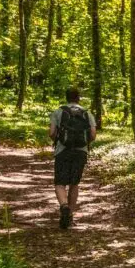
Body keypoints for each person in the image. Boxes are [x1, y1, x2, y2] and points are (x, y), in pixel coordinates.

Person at [49, 87, 97, 229]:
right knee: (74, 184)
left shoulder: (58, 112)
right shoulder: (87, 113)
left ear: (66, 97)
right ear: (78, 98)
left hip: (62, 151)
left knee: (60, 183)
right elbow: (93, 135)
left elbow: (52, 132)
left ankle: (64, 206)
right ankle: (70, 215)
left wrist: (58, 138)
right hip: (81, 152)